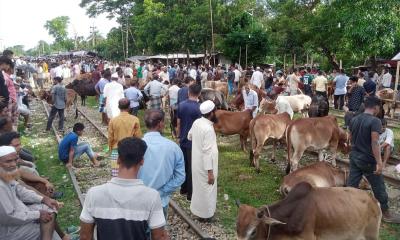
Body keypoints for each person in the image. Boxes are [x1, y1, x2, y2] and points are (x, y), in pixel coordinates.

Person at [80, 137, 169, 240]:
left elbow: (85, 236)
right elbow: (159, 237)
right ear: (142, 161)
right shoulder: (152, 196)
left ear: (118, 159)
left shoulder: (94, 193)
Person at [347, 96, 400, 223]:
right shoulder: (375, 121)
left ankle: (347, 209)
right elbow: (375, 142)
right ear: (376, 107)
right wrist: (379, 162)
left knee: (352, 184)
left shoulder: (354, 119)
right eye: (379, 108)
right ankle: (386, 213)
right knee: (378, 186)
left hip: (354, 157)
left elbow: (350, 138)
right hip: (368, 160)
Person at [0, 146, 60, 240]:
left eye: (15, 160)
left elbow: (20, 190)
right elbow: (9, 217)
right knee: (49, 229)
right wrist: (38, 214)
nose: (13, 164)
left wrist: (44, 199)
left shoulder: (5, 174)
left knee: (50, 208)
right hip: (11, 230)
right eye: (8, 161)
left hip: (22, 213)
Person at [138, 110, 185, 219]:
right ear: (160, 124)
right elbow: (180, 176)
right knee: (158, 233)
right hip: (160, 201)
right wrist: (162, 192)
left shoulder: (136, 146)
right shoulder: (173, 148)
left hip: (138, 199)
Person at [188, 100, 219, 221]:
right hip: (206, 166)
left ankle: (198, 211)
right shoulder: (208, 129)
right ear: (211, 113)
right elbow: (207, 153)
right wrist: (210, 172)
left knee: (199, 189)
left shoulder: (197, 122)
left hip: (196, 163)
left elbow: (189, 136)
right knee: (208, 189)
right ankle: (207, 216)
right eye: (215, 111)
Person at [177, 84, 202, 200]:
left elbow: (178, 123)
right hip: (194, 141)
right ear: (199, 94)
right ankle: (190, 194)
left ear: (188, 92)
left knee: (184, 165)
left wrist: (178, 136)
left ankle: (183, 188)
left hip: (183, 139)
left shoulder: (181, 105)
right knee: (193, 167)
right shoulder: (200, 108)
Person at [108, 98, 142, 177]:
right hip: (131, 150)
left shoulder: (113, 120)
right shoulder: (135, 119)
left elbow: (110, 137)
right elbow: (138, 137)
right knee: (131, 174)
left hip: (116, 149)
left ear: (118, 107)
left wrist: (111, 149)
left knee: (116, 175)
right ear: (129, 107)